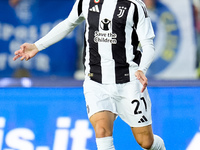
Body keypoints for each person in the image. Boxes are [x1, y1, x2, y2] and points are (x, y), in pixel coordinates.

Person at [13, 0, 166, 149]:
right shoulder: (85, 2)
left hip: (129, 82)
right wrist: (36, 46)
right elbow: (68, 24)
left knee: (146, 142)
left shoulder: (134, 6)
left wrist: (142, 69)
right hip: (96, 82)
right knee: (102, 131)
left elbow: (148, 45)